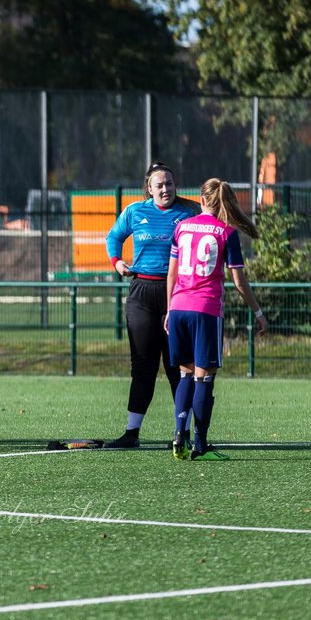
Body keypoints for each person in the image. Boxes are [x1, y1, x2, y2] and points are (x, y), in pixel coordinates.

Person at [165, 178, 268, 460]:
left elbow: (172, 275)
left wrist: (169, 309)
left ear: (201, 200)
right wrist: (258, 313)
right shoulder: (226, 232)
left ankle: (178, 434)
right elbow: (239, 282)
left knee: (185, 372)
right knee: (204, 377)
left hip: (178, 308)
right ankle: (200, 445)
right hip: (206, 311)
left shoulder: (182, 227)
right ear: (224, 203)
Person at [105, 162, 201, 448]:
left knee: (178, 366)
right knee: (143, 366)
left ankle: (185, 433)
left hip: (178, 294)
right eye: (159, 185)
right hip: (142, 293)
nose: (165, 189)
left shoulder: (189, 212)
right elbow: (113, 237)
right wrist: (117, 262)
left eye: (169, 184)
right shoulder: (135, 211)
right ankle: (131, 433)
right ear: (149, 188)